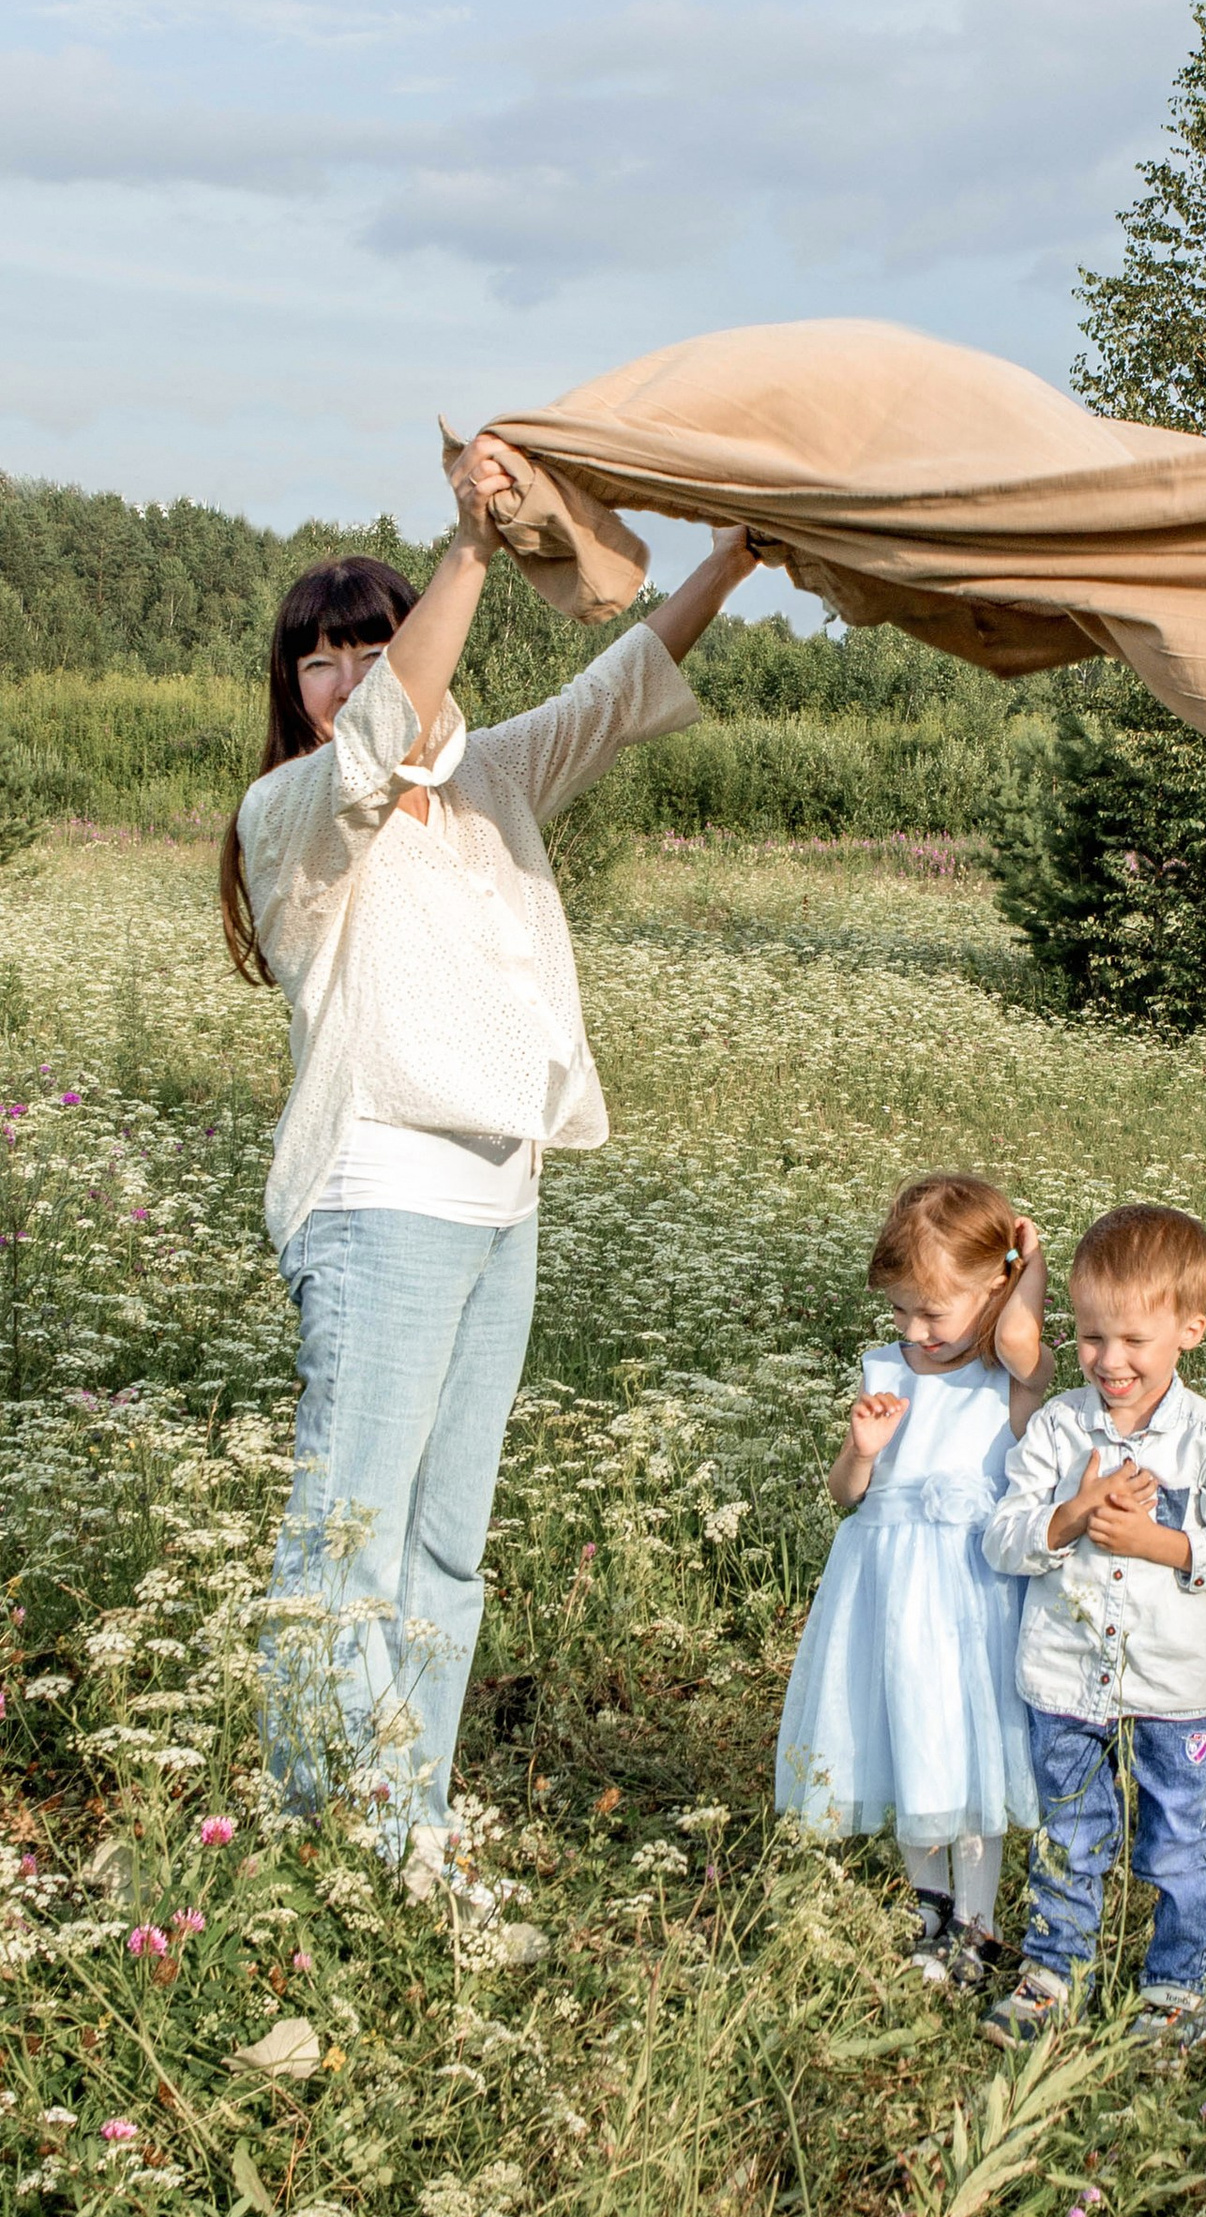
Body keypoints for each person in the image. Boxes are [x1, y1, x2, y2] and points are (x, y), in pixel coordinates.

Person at [226, 441, 758, 1884]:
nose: (347, 673)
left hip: (497, 1206)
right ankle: (316, 1845)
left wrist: (736, 555)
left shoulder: (490, 782)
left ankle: (409, 1833)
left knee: (446, 1548)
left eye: (365, 645)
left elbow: (614, 690)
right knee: (350, 1543)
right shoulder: (294, 818)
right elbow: (386, 728)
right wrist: (467, 545)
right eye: (320, 659)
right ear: (297, 692)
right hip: (380, 1204)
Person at [978, 1203, 1206, 2054]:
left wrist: (1162, 1542)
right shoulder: (1058, 1429)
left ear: (1190, 1329)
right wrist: (1068, 1516)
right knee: (1069, 1828)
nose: (1108, 1361)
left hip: (1174, 1687)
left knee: (1179, 1836)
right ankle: (1053, 1973)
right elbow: (1004, 1536)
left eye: (1132, 1342)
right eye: (1089, 1338)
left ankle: (1178, 1984)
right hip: (1069, 1677)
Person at [774, 1173, 1051, 1986]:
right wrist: (861, 1448)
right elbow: (846, 1494)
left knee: (968, 1754)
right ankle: (926, 1904)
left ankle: (978, 1919)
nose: (915, 1329)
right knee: (907, 1741)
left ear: (995, 1288)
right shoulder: (884, 1370)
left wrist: (1026, 1271)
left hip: (971, 1598)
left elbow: (1026, 1345)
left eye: (933, 1310)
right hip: (887, 1594)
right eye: (900, 1309)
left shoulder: (1011, 1379)